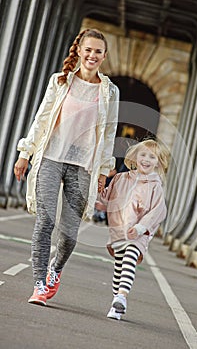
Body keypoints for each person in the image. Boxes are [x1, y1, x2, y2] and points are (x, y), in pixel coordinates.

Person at [14, 28, 119, 306]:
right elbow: (42, 117)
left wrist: (104, 171)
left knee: (69, 234)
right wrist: (26, 152)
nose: (92, 55)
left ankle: (55, 270)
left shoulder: (110, 92)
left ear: (104, 56)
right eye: (88, 49)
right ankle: (38, 284)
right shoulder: (60, 81)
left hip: (83, 166)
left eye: (98, 51)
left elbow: (109, 133)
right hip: (51, 156)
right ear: (80, 51)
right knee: (45, 221)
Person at [95, 139, 168, 320]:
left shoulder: (155, 185)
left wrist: (141, 227)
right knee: (119, 266)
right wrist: (96, 192)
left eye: (152, 157)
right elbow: (106, 200)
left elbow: (158, 211)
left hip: (139, 234)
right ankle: (116, 302)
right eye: (143, 155)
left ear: (157, 162)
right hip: (119, 231)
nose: (146, 159)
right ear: (134, 158)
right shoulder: (120, 178)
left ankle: (122, 297)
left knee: (130, 258)